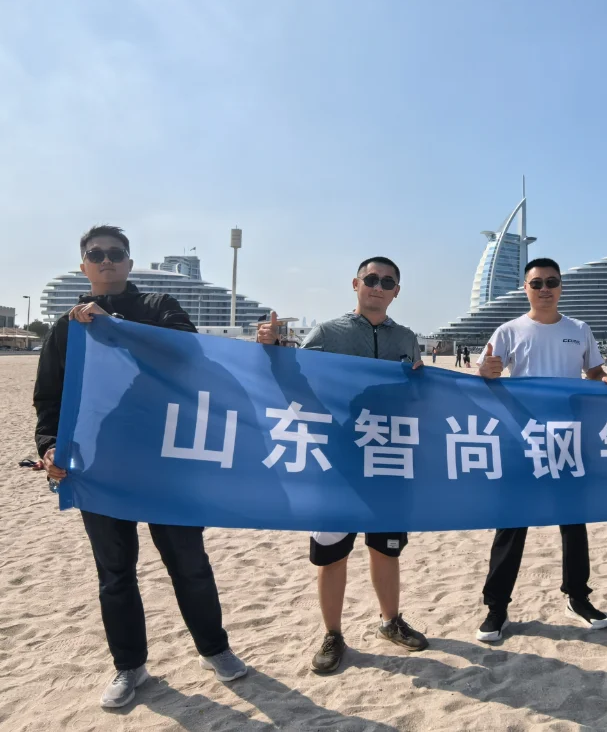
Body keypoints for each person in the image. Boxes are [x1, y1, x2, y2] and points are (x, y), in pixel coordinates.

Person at [34, 225, 246, 708]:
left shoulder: (158, 305)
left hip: (167, 459)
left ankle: (215, 649)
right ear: (84, 266)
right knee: (115, 572)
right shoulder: (67, 327)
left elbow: (187, 350)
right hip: (99, 464)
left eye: (115, 253)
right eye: (96, 254)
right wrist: (49, 447)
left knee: (189, 563)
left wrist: (112, 324)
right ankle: (130, 666)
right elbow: (49, 398)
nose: (106, 260)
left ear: (129, 263)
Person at [257, 256, 429, 674]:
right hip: (336, 459)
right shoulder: (327, 332)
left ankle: (390, 621)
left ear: (396, 291)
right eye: (371, 279)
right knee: (332, 552)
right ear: (356, 284)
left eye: (387, 282)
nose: (378, 287)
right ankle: (332, 634)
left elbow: (417, 393)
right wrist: (271, 351)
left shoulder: (406, 338)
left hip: (387, 456)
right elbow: (294, 381)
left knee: (386, 548)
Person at [475, 257, 607, 642]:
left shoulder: (579, 329)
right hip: (522, 439)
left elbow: (593, 373)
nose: (545, 289)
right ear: (525, 288)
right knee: (512, 524)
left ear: (561, 287)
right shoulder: (509, 330)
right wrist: (486, 371)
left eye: (551, 282)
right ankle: (497, 608)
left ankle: (578, 597)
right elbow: (487, 373)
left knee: (573, 522)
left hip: (568, 438)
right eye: (537, 283)